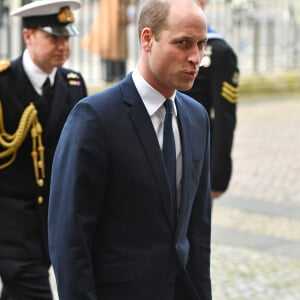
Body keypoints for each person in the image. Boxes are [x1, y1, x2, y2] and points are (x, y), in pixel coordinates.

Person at [48, 0, 212, 299]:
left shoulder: (196, 117)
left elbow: (198, 232)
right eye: (183, 43)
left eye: (201, 44)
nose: (195, 57)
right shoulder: (95, 118)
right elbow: (70, 238)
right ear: (147, 39)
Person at [0, 1, 87, 299]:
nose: (63, 46)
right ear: (28, 36)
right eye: (54, 37)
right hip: (12, 224)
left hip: (55, 219)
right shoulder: (3, 83)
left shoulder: (74, 84)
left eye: (67, 37)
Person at [183, 0, 239, 200]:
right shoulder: (162, 43)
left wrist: (217, 175)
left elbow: (224, 118)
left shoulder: (219, 51)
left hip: (196, 161)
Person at [82, 0, 137, 83]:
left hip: (111, 24)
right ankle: (114, 78)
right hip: (111, 23)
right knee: (113, 53)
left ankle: (113, 78)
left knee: (112, 53)